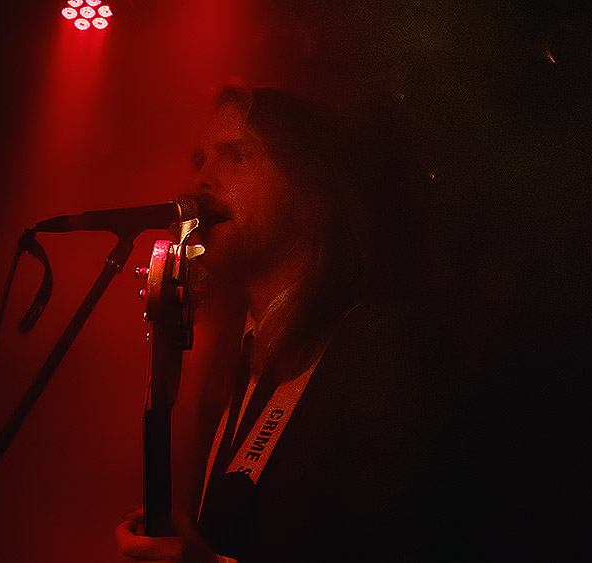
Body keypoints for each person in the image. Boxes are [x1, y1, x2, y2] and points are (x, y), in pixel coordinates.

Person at [115, 85, 445, 563]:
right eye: (200, 161)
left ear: (309, 183)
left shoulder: (379, 345)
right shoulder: (235, 355)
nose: (201, 181)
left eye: (237, 156)